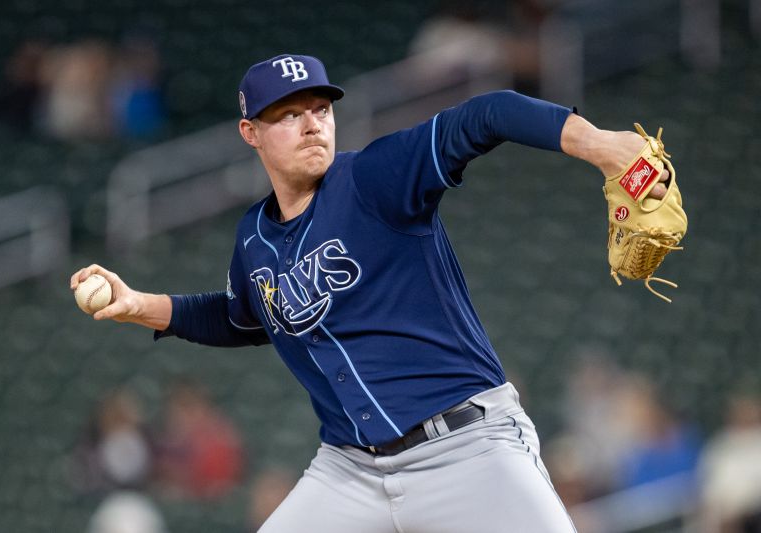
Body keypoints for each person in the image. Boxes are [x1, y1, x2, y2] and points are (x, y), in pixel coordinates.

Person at [71, 53, 672, 532]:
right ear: (250, 132)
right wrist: (140, 304)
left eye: (320, 109)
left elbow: (486, 114)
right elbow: (242, 320)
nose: (311, 123)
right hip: (350, 472)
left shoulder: (374, 178)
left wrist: (601, 144)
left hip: (466, 449)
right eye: (288, 114)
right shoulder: (253, 237)